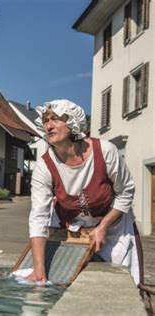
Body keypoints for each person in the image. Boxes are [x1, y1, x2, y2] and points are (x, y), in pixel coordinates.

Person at [28, 99, 142, 284]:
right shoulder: (44, 166)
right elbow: (38, 215)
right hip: (71, 228)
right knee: (65, 282)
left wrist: (103, 226)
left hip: (114, 227)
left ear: (73, 122)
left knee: (120, 285)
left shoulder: (105, 152)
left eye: (55, 119)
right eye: (45, 120)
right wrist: (38, 268)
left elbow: (126, 192)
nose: (48, 126)